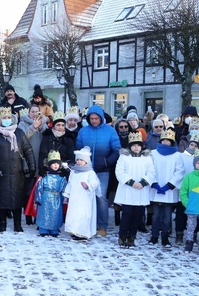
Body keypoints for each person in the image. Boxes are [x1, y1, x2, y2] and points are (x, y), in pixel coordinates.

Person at [0, 106, 36, 233]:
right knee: (1, 199)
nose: (6, 120)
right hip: (1, 172)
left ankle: (17, 224)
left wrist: (32, 166)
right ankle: (2, 223)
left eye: (8, 117)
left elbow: (28, 149)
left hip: (17, 171)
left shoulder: (18, 132)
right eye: (4, 118)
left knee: (17, 198)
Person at [75, 105, 121, 236]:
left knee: (100, 197)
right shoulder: (83, 131)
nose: (94, 120)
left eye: (96, 118)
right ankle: (87, 223)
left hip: (103, 170)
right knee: (85, 196)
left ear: (101, 118)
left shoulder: (110, 131)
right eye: (91, 118)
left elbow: (116, 149)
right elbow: (78, 148)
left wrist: (107, 161)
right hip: (85, 170)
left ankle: (102, 226)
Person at [114, 131, 155, 247]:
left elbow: (151, 172)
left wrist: (143, 182)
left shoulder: (147, 159)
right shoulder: (124, 158)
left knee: (137, 216)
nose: (136, 147)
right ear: (130, 146)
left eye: (138, 145)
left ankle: (132, 237)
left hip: (141, 191)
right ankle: (122, 236)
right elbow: (120, 172)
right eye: (134, 145)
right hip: (128, 191)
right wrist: (131, 182)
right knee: (127, 215)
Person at [148, 129, 185, 247]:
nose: (165, 142)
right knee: (156, 216)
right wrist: (154, 183)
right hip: (156, 189)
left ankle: (165, 237)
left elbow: (179, 172)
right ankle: (154, 236)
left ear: (172, 142)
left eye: (168, 141)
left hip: (169, 191)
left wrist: (169, 185)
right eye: (163, 140)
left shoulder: (178, 155)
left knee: (167, 217)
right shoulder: (153, 153)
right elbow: (149, 169)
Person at [63, 147, 101, 240]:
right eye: (78, 160)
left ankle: (83, 232)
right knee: (74, 214)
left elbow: (95, 182)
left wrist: (88, 185)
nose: (79, 162)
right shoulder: (73, 172)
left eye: (81, 160)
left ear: (86, 161)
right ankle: (74, 230)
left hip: (85, 199)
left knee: (83, 215)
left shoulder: (90, 173)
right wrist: (66, 195)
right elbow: (70, 184)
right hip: (74, 198)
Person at [34, 151, 68, 237]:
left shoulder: (61, 176)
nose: (55, 165)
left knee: (56, 213)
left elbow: (64, 187)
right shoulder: (44, 175)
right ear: (49, 165)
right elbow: (39, 187)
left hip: (57, 197)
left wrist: (65, 197)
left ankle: (54, 228)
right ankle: (43, 228)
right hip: (45, 197)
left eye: (57, 164)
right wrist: (38, 198)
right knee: (44, 213)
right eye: (53, 164)